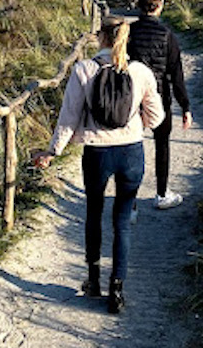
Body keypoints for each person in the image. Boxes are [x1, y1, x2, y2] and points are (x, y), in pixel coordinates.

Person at [32, 16, 163, 314]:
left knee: (93, 212)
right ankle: (117, 289)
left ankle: (93, 280)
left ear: (100, 37)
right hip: (131, 151)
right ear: (125, 38)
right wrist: (133, 126)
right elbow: (156, 118)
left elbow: (68, 118)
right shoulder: (140, 72)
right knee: (122, 222)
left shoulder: (84, 70)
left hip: (96, 153)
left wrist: (53, 151)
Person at [127, 0, 192, 209]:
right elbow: (176, 74)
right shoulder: (167, 35)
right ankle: (162, 193)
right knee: (162, 144)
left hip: (131, 97)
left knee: (132, 146)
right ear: (160, 4)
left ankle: (131, 203)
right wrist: (185, 106)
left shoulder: (128, 32)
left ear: (138, 4)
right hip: (159, 96)